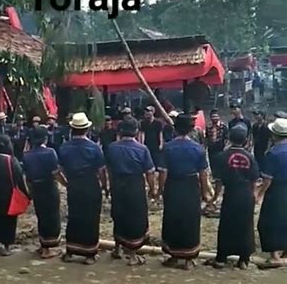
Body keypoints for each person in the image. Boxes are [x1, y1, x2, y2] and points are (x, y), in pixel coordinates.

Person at [158, 113, 210, 269]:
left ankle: (174, 256)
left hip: (173, 185)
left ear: (175, 129)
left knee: (173, 219)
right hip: (191, 186)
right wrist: (205, 192)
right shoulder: (198, 149)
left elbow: (163, 172)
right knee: (190, 221)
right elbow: (203, 174)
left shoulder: (168, 147)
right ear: (191, 129)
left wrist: (161, 189)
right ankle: (188, 259)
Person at [106, 118, 156, 265]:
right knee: (135, 219)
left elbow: (108, 169)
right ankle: (133, 255)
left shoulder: (112, 147)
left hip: (117, 185)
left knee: (118, 215)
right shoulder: (142, 149)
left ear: (120, 131)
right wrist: (153, 189)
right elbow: (150, 172)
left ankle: (117, 248)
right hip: (135, 186)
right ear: (136, 131)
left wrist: (109, 185)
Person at [58, 112, 106, 264]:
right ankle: (89, 254)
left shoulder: (64, 148)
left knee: (74, 217)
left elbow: (58, 170)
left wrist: (66, 183)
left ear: (72, 129)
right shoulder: (94, 148)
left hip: (74, 185)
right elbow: (101, 171)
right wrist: (104, 186)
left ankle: (71, 251)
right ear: (87, 129)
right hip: (90, 184)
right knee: (91, 218)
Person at [209, 125, 259, 269]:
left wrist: (214, 199)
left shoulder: (221, 157)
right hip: (246, 195)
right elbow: (254, 180)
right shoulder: (250, 157)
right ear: (245, 140)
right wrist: (254, 196)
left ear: (229, 138)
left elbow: (218, 182)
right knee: (246, 226)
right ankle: (243, 260)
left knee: (226, 225)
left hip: (230, 194)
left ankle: (221, 259)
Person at [23, 126, 62, 258]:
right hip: (49, 187)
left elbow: (27, 178)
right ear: (45, 138)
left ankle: (43, 245)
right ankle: (48, 250)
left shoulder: (27, 156)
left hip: (36, 189)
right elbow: (56, 174)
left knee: (41, 216)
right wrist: (66, 184)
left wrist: (30, 192)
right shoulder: (50, 153)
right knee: (52, 217)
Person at [257, 117, 287, 267]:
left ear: (274, 135)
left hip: (277, 190)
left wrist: (260, 194)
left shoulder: (273, 153)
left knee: (269, 222)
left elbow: (267, 180)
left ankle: (275, 255)